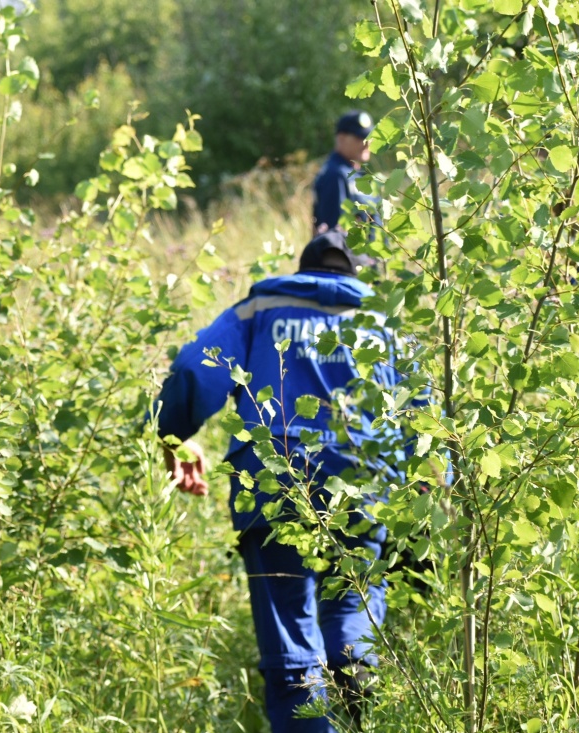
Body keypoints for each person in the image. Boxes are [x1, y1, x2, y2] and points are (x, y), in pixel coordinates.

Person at [156, 231, 414, 732]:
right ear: (352, 275)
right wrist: (430, 483)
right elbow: (424, 408)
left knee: (290, 639)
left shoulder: (261, 309)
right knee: (353, 600)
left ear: (304, 270)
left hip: (276, 478)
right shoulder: (384, 322)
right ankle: (353, 666)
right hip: (366, 479)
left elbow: (193, 366)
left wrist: (172, 434)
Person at [312, 111, 383, 238]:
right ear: (341, 139)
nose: (367, 143)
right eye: (360, 138)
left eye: (369, 137)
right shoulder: (335, 175)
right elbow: (334, 237)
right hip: (355, 257)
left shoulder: (359, 174)